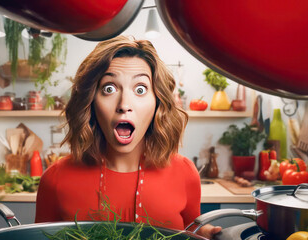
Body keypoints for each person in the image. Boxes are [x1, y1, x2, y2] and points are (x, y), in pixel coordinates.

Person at [35, 35, 221, 239]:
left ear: (158, 102)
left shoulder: (185, 173)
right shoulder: (55, 180)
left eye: (140, 89)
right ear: (91, 102)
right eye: (109, 89)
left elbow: (189, 231)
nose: (124, 104)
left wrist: (202, 234)